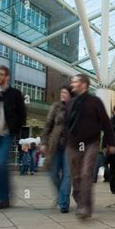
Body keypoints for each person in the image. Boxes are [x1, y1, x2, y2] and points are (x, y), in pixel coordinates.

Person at [65, 74, 115, 219]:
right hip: (73, 145)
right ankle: (81, 200)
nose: (72, 84)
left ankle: (85, 207)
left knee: (86, 173)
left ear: (83, 85)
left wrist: (111, 142)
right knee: (76, 176)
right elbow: (66, 125)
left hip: (90, 144)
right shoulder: (70, 103)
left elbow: (106, 123)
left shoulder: (95, 102)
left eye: (74, 82)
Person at [0, 65, 27, 210]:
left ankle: (5, 195)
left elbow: (22, 114)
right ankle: (3, 199)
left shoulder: (15, 94)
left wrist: (16, 128)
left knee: (1, 164)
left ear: (7, 77)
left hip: (6, 135)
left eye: (0, 74)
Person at [42, 85, 72, 213]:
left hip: (70, 146)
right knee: (53, 173)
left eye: (65, 92)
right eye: (61, 92)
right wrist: (44, 142)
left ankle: (64, 204)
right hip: (55, 145)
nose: (62, 94)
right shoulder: (56, 107)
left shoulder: (75, 108)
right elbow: (48, 124)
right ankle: (62, 196)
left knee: (67, 175)